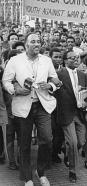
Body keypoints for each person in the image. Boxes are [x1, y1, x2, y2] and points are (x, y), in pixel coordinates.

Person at [2, 32, 59, 186]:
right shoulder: (15, 60)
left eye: (38, 41)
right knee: (24, 142)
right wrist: (15, 90)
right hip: (23, 105)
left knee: (47, 139)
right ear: (26, 44)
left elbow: (55, 79)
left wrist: (51, 85)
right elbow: (6, 81)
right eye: (33, 41)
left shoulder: (46, 61)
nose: (36, 44)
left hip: (42, 105)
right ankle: (27, 177)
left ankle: (40, 172)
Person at [55, 50, 87, 183]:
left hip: (80, 113)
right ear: (65, 60)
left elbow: (86, 92)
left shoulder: (82, 74)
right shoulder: (59, 74)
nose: (76, 60)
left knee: (81, 141)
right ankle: (72, 171)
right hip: (66, 113)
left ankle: (66, 150)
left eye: (77, 58)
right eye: (72, 58)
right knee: (73, 142)